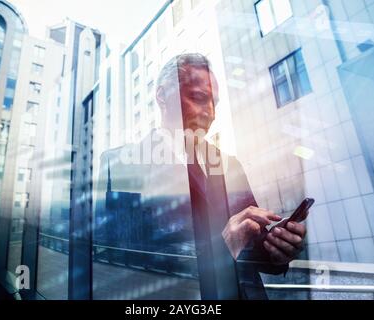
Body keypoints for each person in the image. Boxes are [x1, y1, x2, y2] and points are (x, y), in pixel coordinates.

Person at [97, 53, 306, 300]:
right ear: (162, 96)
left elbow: (250, 246)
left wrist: (276, 249)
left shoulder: (230, 165)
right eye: (198, 97)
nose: (210, 113)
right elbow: (119, 260)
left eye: (214, 103)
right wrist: (221, 248)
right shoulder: (121, 164)